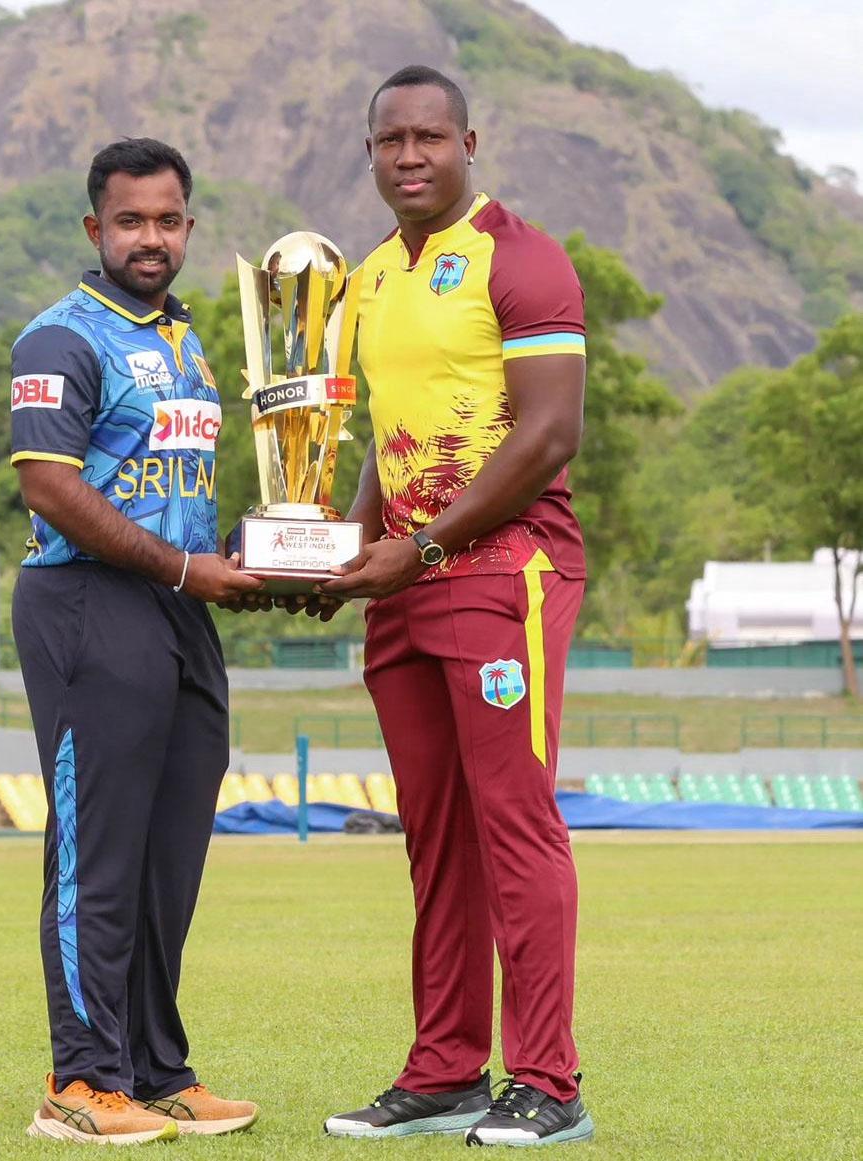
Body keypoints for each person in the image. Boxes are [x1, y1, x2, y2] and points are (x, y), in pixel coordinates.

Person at [319, 67, 595, 1147]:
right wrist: (338, 552)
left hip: (506, 576)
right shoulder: (372, 278)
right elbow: (388, 446)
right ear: (372, 150)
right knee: (436, 839)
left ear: (469, 142)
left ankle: (550, 1082)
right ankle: (445, 1072)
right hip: (407, 586)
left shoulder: (520, 258)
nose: (411, 156)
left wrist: (423, 545)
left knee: (514, 828)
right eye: (391, 140)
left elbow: (548, 437)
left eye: (431, 137)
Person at [9, 137, 262, 1145]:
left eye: (167, 221)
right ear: (95, 228)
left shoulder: (188, 341)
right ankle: (81, 1082)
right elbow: (51, 486)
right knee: (97, 859)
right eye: (130, 221)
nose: (150, 238)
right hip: (87, 607)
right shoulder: (60, 338)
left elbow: (177, 495)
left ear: (188, 228)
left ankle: (156, 1070)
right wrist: (184, 569)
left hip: (179, 611)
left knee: (169, 861)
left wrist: (256, 552)